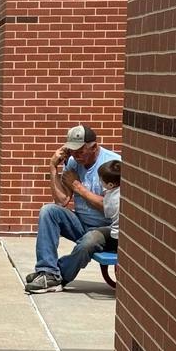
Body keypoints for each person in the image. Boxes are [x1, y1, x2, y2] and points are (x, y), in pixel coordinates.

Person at [25, 125, 121, 293]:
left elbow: (110, 208)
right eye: (72, 151)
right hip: (82, 223)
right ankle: (48, 271)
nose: (76, 156)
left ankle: (54, 275)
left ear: (94, 147)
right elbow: (61, 201)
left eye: (80, 151)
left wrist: (78, 187)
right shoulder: (73, 162)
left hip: (108, 230)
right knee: (48, 211)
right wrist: (53, 167)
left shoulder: (112, 165)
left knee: (89, 241)